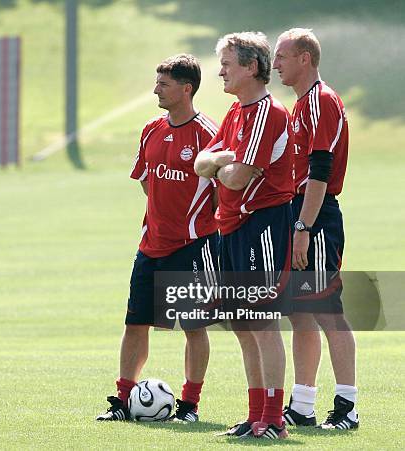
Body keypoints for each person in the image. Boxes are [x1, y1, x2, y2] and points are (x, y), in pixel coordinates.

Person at [96, 54, 220, 423]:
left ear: (186, 88)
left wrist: (192, 225)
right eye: (156, 83)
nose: (155, 90)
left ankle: (189, 406)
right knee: (135, 323)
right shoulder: (151, 129)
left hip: (192, 247)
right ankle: (122, 401)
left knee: (193, 327)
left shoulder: (208, 135)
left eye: (163, 84)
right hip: (150, 245)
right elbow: (146, 180)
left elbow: (222, 193)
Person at [194, 32, 294, 439]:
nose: (220, 71)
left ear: (252, 67)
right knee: (241, 323)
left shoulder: (269, 113)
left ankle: (274, 420)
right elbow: (203, 162)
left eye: (227, 64)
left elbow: (233, 180)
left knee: (262, 322)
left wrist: (219, 164)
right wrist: (221, 161)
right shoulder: (236, 113)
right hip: (228, 226)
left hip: (261, 225)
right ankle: (255, 416)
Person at [273, 28, 358, 430]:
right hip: (299, 214)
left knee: (327, 311)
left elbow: (320, 171)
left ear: (305, 58)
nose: (275, 64)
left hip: (316, 215)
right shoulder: (301, 104)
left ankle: (347, 408)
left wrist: (304, 225)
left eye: (282, 56)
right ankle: (302, 405)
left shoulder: (320, 101)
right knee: (301, 314)